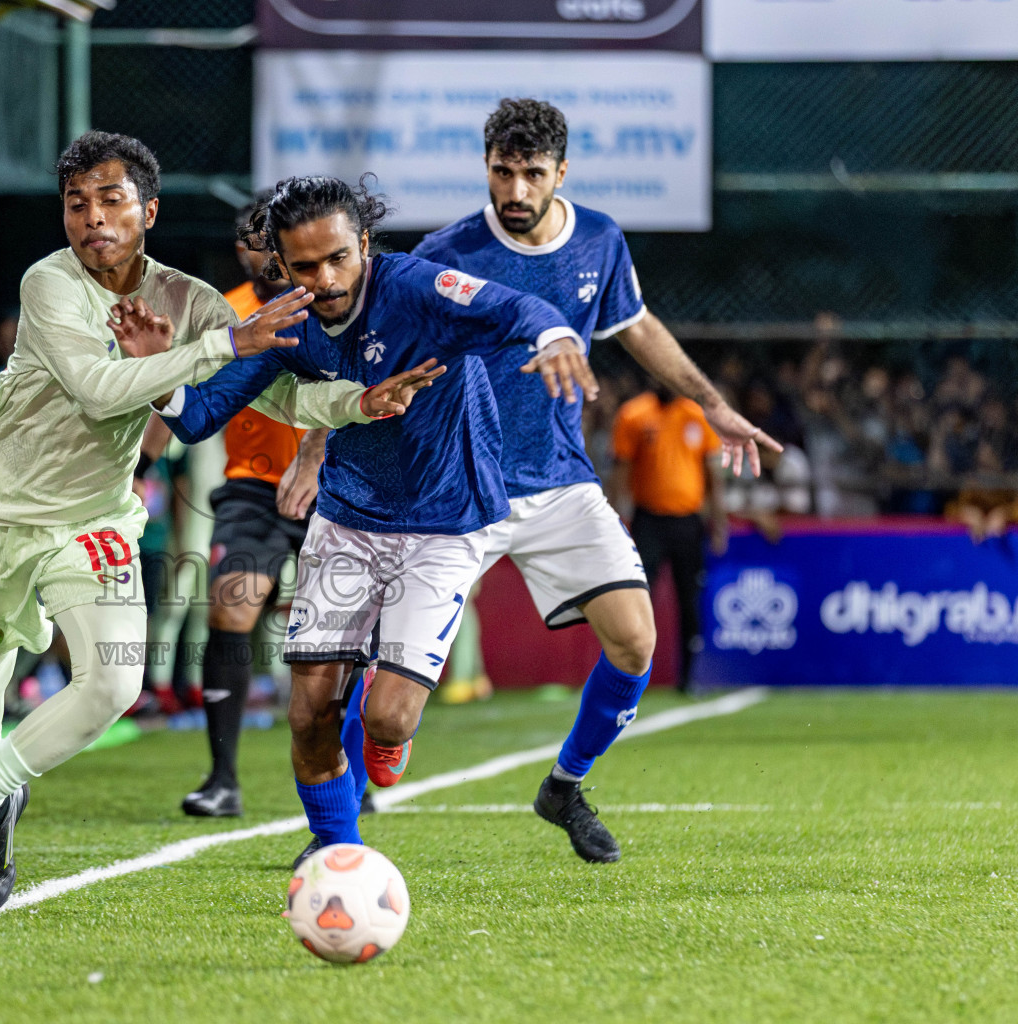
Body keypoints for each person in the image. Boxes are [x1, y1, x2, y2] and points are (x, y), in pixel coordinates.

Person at [0, 131, 433, 908]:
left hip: (95, 519)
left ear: (147, 210)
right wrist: (221, 344)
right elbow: (99, 388)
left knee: (113, 682)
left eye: (111, 201)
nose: (92, 218)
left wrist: (357, 402)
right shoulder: (50, 284)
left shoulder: (193, 303)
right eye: (77, 203)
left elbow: (275, 395)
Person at [153, 175, 592, 869]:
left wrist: (559, 335)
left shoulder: (417, 288)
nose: (325, 279)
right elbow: (199, 415)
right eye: (303, 266)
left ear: (363, 243)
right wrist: (158, 365)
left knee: (387, 718)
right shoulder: (283, 322)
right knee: (308, 712)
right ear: (278, 264)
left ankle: (388, 737)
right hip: (349, 520)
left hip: (445, 524)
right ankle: (339, 854)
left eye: (338, 259)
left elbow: (518, 308)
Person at [403, 97, 780, 862]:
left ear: (560, 173)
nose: (514, 190)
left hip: (561, 485)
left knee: (636, 643)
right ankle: (338, 822)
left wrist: (713, 405)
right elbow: (389, 351)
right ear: (486, 166)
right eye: (502, 172)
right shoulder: (444, 252)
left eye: (531, 174)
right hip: (460, 487)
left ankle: (564, 786)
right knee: (391, 702)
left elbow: (635, 326)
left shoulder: (599, 241)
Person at [181, 196, 329, 819]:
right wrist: (136, 469)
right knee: (231, 606)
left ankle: (346, 775)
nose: (259, 250)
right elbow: (188, 395)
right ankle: (222, 779)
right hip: (253, 484)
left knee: (343, 630)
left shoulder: (333, 299)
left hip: (341, 481)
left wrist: (318, 458)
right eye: (248, 240)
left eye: (269, 237)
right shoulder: (227, 314)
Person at [609, 384, 731, 693]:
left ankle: (688, 678)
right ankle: (632, 674)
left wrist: (719, 521)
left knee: (690, 598)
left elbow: (712, 475)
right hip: (648, 520)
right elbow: (622, 470)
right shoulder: (634, 414)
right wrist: (613, 519)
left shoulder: (696, 415)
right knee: (637, 597)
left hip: (687, 522)